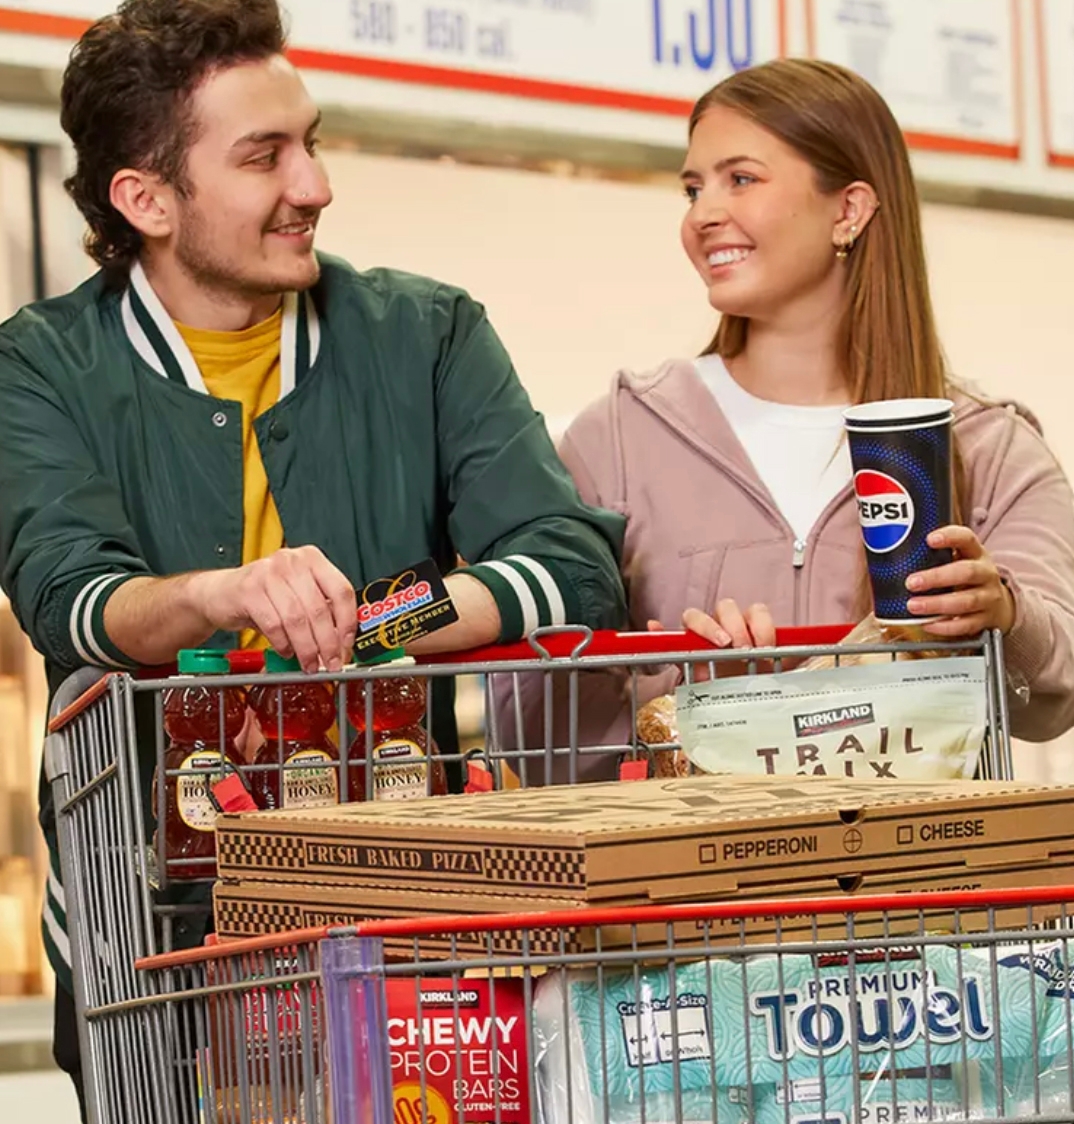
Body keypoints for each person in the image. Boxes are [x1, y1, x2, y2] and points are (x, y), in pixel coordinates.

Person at [0, 0, 625, 1113]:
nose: (315, 184)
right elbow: (72, 594)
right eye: (264, 155)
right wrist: (219, 594)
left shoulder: (426, 335)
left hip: (395, 902)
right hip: (150, 933)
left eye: (312, 140)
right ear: (143, 198)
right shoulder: (40, 368)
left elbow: (569, 560)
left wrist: (369, 623)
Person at [501, 58, 1074, 780]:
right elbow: (524, 710)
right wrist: (688, 709)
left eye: (740, 179)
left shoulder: (988, 446)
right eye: (693, 188)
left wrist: (1002, 613)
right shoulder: (619, 438)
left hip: (911, 886)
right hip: (698, 886)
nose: (701, 214)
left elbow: (1060, 693)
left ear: (848, 210)